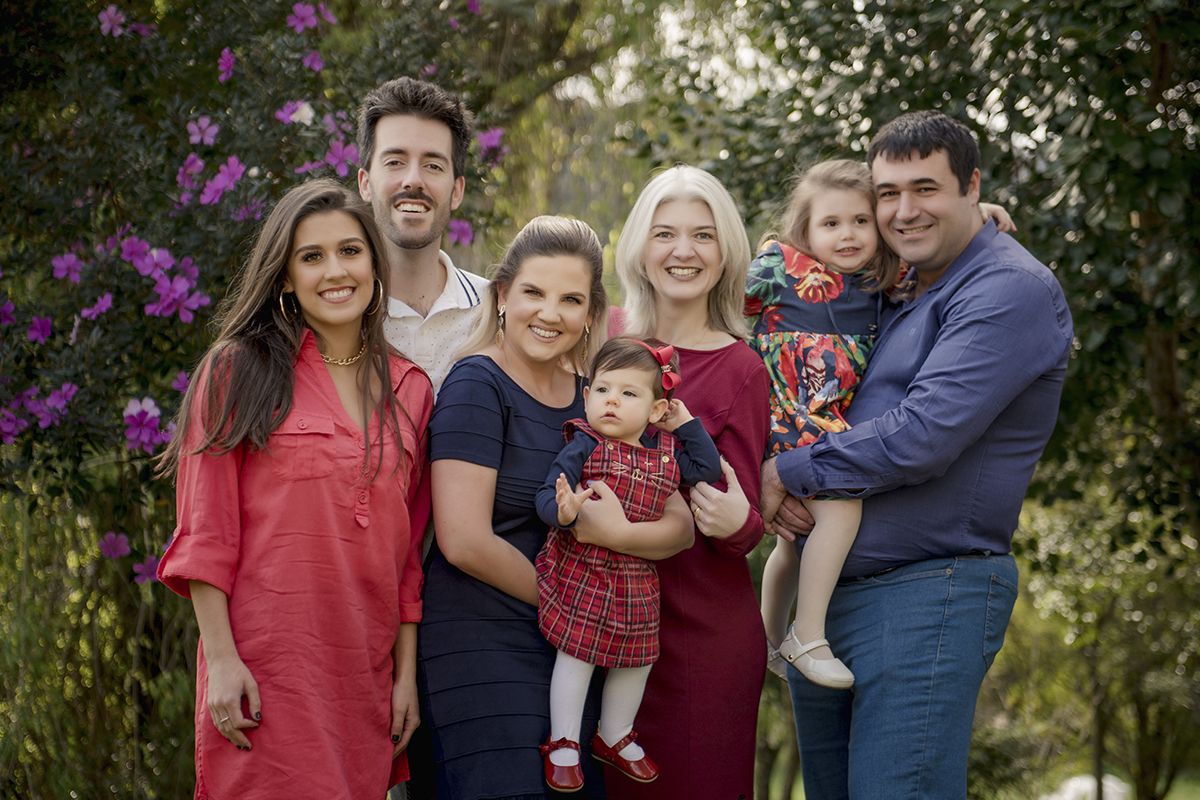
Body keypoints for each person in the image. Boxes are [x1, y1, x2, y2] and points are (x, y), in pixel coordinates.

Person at [760, 110, 1074, 799]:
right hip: (834, 601)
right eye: (888, 193)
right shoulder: (898, 282)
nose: (904, 211)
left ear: (972, 186)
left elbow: (922, 434)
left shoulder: (1007, 290)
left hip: (928, 594)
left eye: (926, 189)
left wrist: (789, 470)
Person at [156, 179, 434, 799]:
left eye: (350, 251)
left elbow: (408, 557)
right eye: (311, 257)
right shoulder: (237, 371)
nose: (335, 271)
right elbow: (206, 533)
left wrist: (404, 676)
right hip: (265, 668)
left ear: (373, 262)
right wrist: (222, 662)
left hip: (363, 674)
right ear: (284, 276)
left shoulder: (412, 389)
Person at [417, 216, 694, 800]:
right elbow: (463, 540)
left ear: (593, 314)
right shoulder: (478, 384)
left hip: (575, 644)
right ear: (501, 297)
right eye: (533, 293)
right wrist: (574, 601)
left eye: (570, 299)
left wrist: (617, 545)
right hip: (483, 638)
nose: (550, 313)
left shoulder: (597, 399)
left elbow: (677, 526)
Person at [750, 161, 1018, 690]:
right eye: (830, 224)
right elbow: (721, 299)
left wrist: (978, 214)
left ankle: (764, 639)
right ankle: (807, 634)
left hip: (825, 419)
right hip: (785, 414)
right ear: (804, 231)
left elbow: (937, 245)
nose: (847, 235)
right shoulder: (779, 265)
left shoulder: (880, 281)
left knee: (790, 544)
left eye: (860, 222)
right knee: (841, 509)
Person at [609, 165, 771, 800]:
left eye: (702, 235)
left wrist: (743, 527)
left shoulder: (741, 366)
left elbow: (740, 517)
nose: (684, 251)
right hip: (604, 628)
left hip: (699, 641)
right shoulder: (606, 344)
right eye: (666, 233)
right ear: (640, 248)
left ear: (725, 249)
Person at [533, 335, 722, 792]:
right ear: (587, 395)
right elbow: (547, 494)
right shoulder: (585, 443)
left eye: (630, 393)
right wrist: (562, 510)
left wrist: (686, 423)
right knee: (576, 654)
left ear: (657, 410)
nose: (612, 401)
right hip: (584, 569)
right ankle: (564, 740)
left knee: (636, 660)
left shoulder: (666, 453)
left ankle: (613, 734)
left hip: (637, 579)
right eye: (602, 389)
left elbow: (708, 469)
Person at [357, 76, 489, 397]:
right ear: (365, 183)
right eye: (394, 162)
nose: (413, 180)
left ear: (457, 191)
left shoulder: (496, 312)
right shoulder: (336, 310)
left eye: (432, 165)